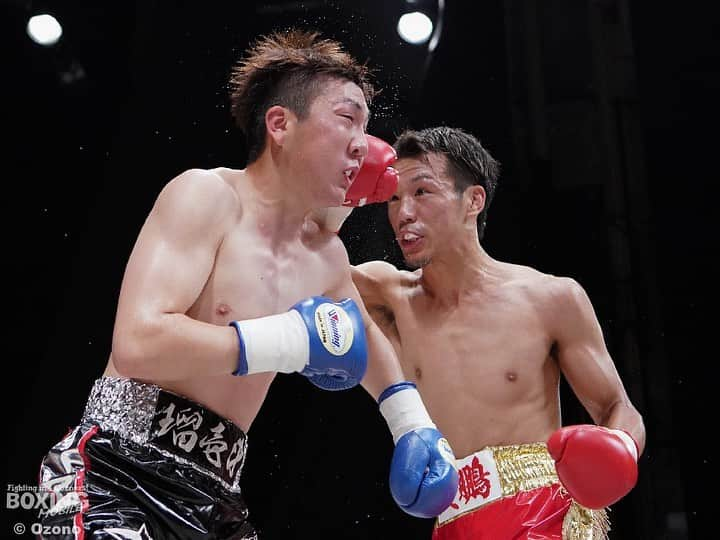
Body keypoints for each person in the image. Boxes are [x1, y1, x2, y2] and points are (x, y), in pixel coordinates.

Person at [37, 31, 458, 539]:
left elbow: (360, 340)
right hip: (116, 472)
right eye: (347, 118)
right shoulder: (206, 196)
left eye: (366, 126)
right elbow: (137, 344)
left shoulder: (325, 257)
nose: (362, 144)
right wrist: (286, 342)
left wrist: (411, 422)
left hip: (217, 496)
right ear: (280, 124)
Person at [322, 126, 645, 539]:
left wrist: (619, 446)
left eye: (422, 192)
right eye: (393, 198)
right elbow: (307, 267)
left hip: (545, 513)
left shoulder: (550, 298)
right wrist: (345, 194)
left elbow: (618, 406)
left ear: (473, 200)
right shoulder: (391, 298)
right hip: (454, 519)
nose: (403, 213)